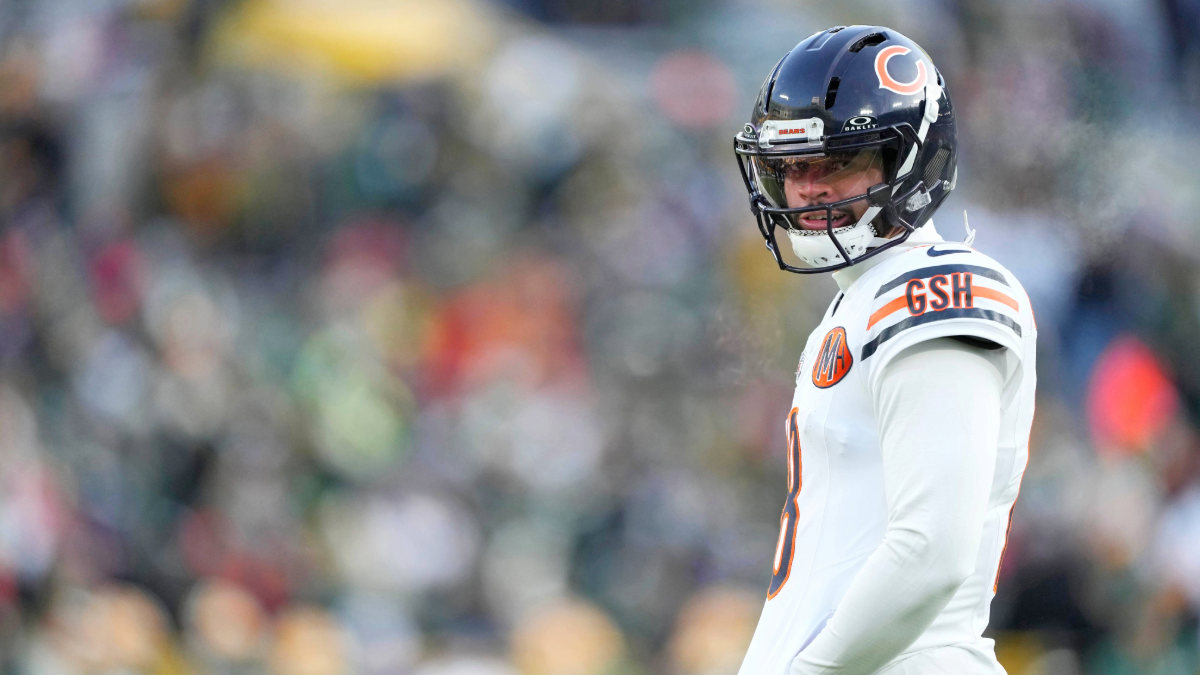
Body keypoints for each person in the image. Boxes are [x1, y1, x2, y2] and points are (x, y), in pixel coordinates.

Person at [732, 26, 1036, 675]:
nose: (807, 188)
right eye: (791, 167)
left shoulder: (933, 285)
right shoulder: (859, 303)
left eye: (836, 162)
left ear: (910, 160)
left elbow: (931, 551)